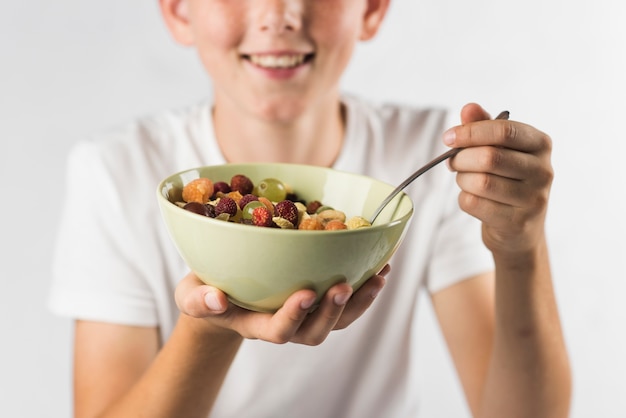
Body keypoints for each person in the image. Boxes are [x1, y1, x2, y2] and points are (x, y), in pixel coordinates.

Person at [49, 0, 571, 417]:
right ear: (178, 10)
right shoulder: (116, 171)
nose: (280, 13)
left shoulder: (429, 162)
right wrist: (209, 326)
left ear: (371, 8)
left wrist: (520, 246)